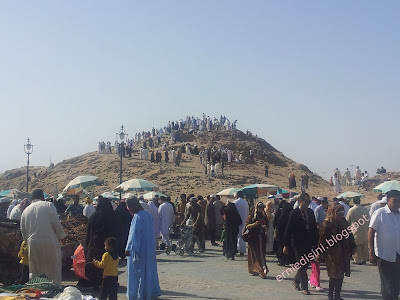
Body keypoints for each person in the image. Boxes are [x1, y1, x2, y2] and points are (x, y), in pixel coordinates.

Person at [20, 189, 66, 287]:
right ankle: (54, 290)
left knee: (36, 270)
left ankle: (38, 291)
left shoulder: (26, 211)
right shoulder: (48, 206)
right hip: (50, 242)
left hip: (33, 243)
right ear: (42, 197)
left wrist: (27, 243)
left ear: (32, 198)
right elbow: (56, 224)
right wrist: (62, 236)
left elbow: (23, 231)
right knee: (53, 269)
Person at [125, 196, 161, 300]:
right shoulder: (148, 214)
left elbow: (134, 235)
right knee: (147, 273)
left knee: (138, 274)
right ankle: (146, 294)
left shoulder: (137, 217)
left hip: (139, 250)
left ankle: (137, 295)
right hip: (148, 249)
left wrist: (129, 249)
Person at [283, 193, 319, 295]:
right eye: (306, 201)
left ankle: (296, 280)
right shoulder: (294, 213)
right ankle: (305, 287)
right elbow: (288, 229)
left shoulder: (310, 212)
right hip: (298, 243)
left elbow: (314, 228)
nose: (308, 204)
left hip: (308, 243)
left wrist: (316, 242)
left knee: (305, 265)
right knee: (302, 264)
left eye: (309, 202)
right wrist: (286, 245)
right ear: (300, 201)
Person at [319, 205, 357, 300]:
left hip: (344, 252)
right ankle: (330, 294)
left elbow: (349, 234)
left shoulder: (344, 222)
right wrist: (320, 252)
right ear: (333, 212)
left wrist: (353, 246)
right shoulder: (327, 223)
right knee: (334, 274)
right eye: (338, 214)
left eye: (342, 214)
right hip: (332, 253)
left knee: (341, 274)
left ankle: (337, 295)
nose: (340, 216)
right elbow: (322, 239)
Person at [368, 189, 400, 300]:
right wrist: (371, 252)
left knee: (396, 286)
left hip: (397, 254)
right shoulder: (380, 213)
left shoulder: (399, 215)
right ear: (388, 200)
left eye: (399, 201)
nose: (397, 204)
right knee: (388, 287)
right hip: (384, 255)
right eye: (395, 201)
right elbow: (371, 231)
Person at [84, 197, 120, 288]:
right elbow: (117, 231)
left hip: (95, 244)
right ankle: (109, 282)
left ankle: (96, 283)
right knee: (109, 265)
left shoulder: (94, 216)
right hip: (109, 245)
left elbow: (88, 232)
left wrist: (87, 245)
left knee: (97, 264)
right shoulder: (113, 216)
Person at [245, 202, 269, 278]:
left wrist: (265, 227)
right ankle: (258, 270)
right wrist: (255, 224)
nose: (261, 209)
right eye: (259, 207)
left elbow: (267, 228)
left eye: (262, 207)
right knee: (253, 254)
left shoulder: (264, 216)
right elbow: (247, 226)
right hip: (253, 238)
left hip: (261, 238)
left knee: (261, 254)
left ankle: (262, 269)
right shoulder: (252, 216)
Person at [346, 196, 369, 265]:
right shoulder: (365, 210)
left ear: (353, 201)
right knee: (364, 244)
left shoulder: (351, 210)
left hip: (355, 229)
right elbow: (368, 219)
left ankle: (357, 260)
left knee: (357, 244)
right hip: (365, 228)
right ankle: (365, 258)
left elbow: (348, 220)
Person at [234, 191, 249, 255]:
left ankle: (237, 248)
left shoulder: (235, 202)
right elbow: (248, 212)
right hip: (244, 221)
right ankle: (242, 250)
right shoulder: (245, 203)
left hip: (236, 221)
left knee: (237, 236)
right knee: (242, 236)